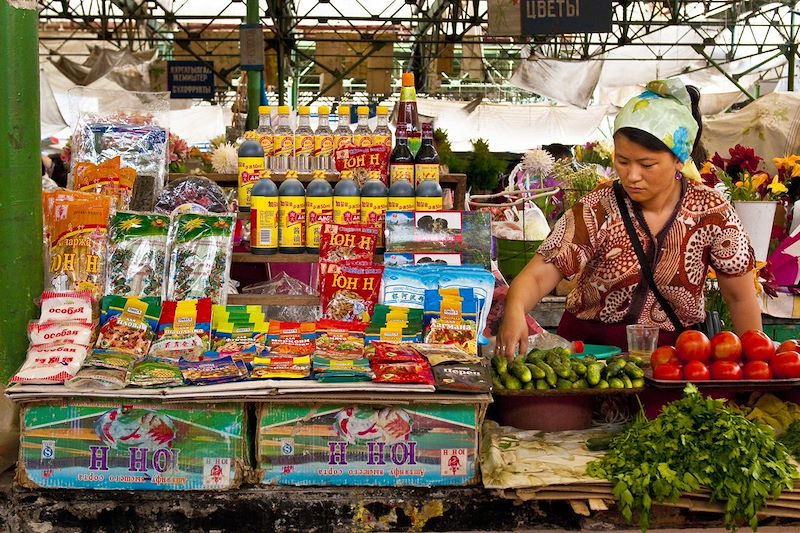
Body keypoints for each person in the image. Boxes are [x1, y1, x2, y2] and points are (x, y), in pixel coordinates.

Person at [497, 79, 761, 359]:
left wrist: (758, 362)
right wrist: (514, 310)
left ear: (679, 160)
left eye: (646, 164)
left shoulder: (713, 212)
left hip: (676, 358)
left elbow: (739, 297)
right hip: (590, 355)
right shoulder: (597, 207)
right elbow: (539, 275)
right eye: (622, 161)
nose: (632, 175)